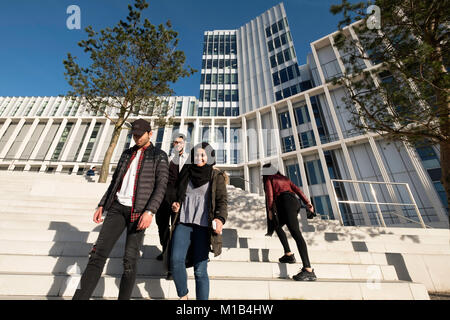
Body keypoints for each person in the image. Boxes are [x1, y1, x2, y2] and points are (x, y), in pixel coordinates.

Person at [72, 119, 169, 300]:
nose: (137, 138)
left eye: (140, 135)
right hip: (117, 208)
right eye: (134, 135)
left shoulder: (159, 155)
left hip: (139, 212)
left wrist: (150, 211)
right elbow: (115, 181)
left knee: (129, 262)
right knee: (96, 256)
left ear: (150, 134)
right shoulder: (126, 154)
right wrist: (102, 204)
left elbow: (161, 186)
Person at [170, 142, 228, 300]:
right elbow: (176, 194)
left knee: (200, 270)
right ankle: (183, 296)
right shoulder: (186, 172)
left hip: (203, 227)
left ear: (209, 157)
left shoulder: (216, 176)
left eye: (203, 155)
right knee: (175, 260)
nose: (199, 158)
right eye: (196, 155)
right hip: (183, 222)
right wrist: (175, 203)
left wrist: (220, 218)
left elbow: (222, 201)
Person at [262, 163, 317, 281]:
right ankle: (288, 254)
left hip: (285, 203)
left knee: (296, 233)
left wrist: (270, 209)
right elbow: (297, 190)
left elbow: (270, 195)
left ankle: (308, 269)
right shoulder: (284, 178)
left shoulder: (269, 178)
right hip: (293, 202)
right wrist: (307, 203)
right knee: (276, 225)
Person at [155, 133, 189, 261]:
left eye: (180, 142)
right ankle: (165, 250)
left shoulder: (188, 159)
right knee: (162, 225)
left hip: (178, 198)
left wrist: (180, 199)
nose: (177, 144)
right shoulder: (167, 158)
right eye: (175, 142)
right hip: (163, 197)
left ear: (184, 144)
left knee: (176, 227)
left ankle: (174, 256)